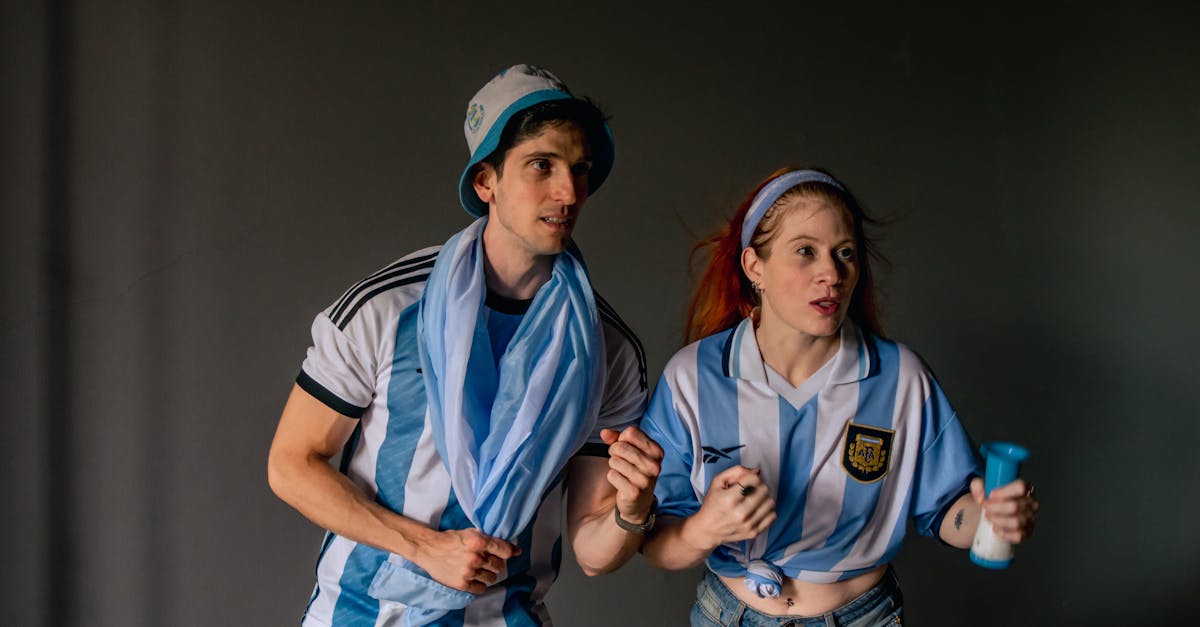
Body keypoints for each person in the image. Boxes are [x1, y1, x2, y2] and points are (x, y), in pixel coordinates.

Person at [267, 64, 663, 626]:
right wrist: (425, 547)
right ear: (485, 182)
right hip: (362, 613)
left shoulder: (607, 348)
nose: (569, 192)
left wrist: (632, 510)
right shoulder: (387, 307)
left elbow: (594, 554)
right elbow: (291, 465)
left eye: (580, 169)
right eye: (541, 165)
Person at [640, 167, 1039, 626]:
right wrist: (704, 528)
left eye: (845, 253)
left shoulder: (902, 379)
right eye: (805, 251)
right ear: (754, 267)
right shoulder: (692, 376)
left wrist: (991, 518)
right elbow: (656, 543)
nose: (831, 273)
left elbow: (949, 511)